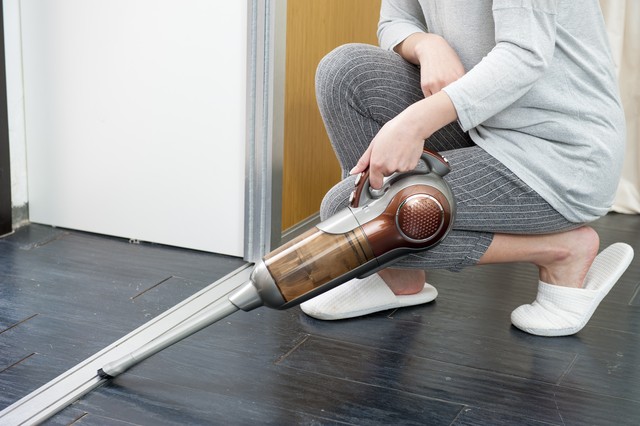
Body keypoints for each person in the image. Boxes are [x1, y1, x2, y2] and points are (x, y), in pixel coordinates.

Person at [299, 0, 634, 336]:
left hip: (560, 154)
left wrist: (413, 125)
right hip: (482, 123)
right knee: (344, 72)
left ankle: (560, 251)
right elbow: (395, 21)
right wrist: (427, 44)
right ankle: (396, 276)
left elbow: (524, 55)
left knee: (350, 219)